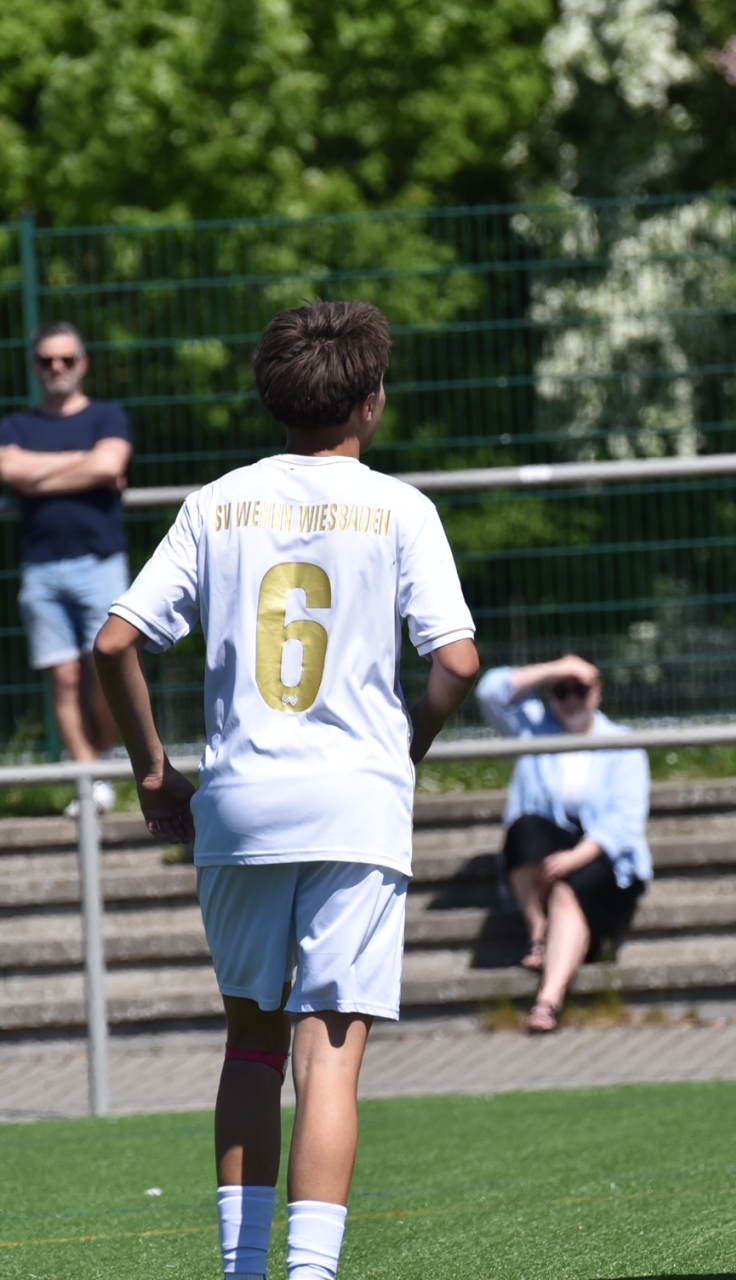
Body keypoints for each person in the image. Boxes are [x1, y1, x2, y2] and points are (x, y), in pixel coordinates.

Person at [93, 301, 480, 1280]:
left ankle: (244, 1271)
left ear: (274, 397)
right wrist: (405, 745)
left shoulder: (217, 503)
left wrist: (153, 769)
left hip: (241, 802)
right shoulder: (401, 508)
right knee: (330, 1051)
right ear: (371, 399)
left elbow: (115, 642)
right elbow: (457, 662)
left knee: (251, 1043)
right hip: (356, 803)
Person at [474, 655, 652, 1034]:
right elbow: (490, 692)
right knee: (523, 829)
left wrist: (574, 858)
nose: (571, 699)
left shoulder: (623, 743)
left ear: (597, 693)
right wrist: (559, 667)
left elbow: (624, 823)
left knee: (568, 891)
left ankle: (548, 1000)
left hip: (607, 859)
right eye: (561, 691)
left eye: (580, 690)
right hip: (552, 849)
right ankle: (539, 933)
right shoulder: (536, 730)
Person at [0, 321, 132, 811]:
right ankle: (89, 780)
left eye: (67, 359)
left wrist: (35, 474)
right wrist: (83, 464)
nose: (57, 367)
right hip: (40, 568)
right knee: (63, 679)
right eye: (46, 360)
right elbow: (9, 470)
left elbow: (108, 464)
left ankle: (103, 760)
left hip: (101, 562)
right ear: (34, 366)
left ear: (83, 363)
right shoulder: (15, 426)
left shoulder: (108, 415)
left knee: (106, 670)